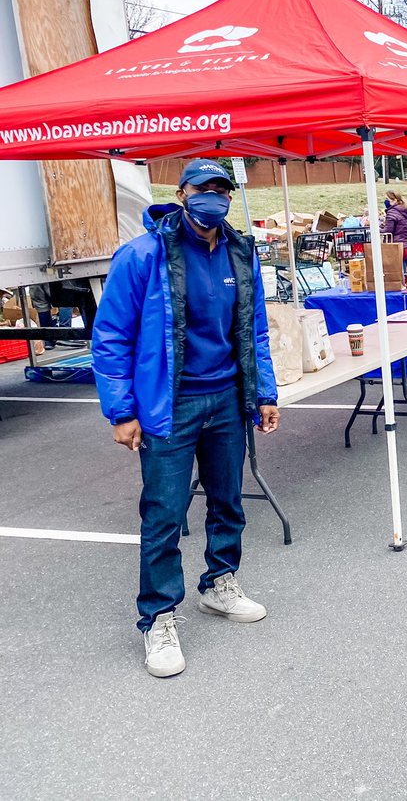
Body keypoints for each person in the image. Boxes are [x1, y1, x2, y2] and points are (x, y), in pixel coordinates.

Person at [91, 159, 279, 678]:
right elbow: (109, 338)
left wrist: (264, 392)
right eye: (204, 189)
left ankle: (220, 583)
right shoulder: (142, 255)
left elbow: (255, 329)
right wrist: (122, 410)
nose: (214, 198)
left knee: (227, 500)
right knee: (165, 514)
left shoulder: (241, 252)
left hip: (225, 401)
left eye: (223, 189)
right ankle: (158, 617)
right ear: (181, 193)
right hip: (167, 408)